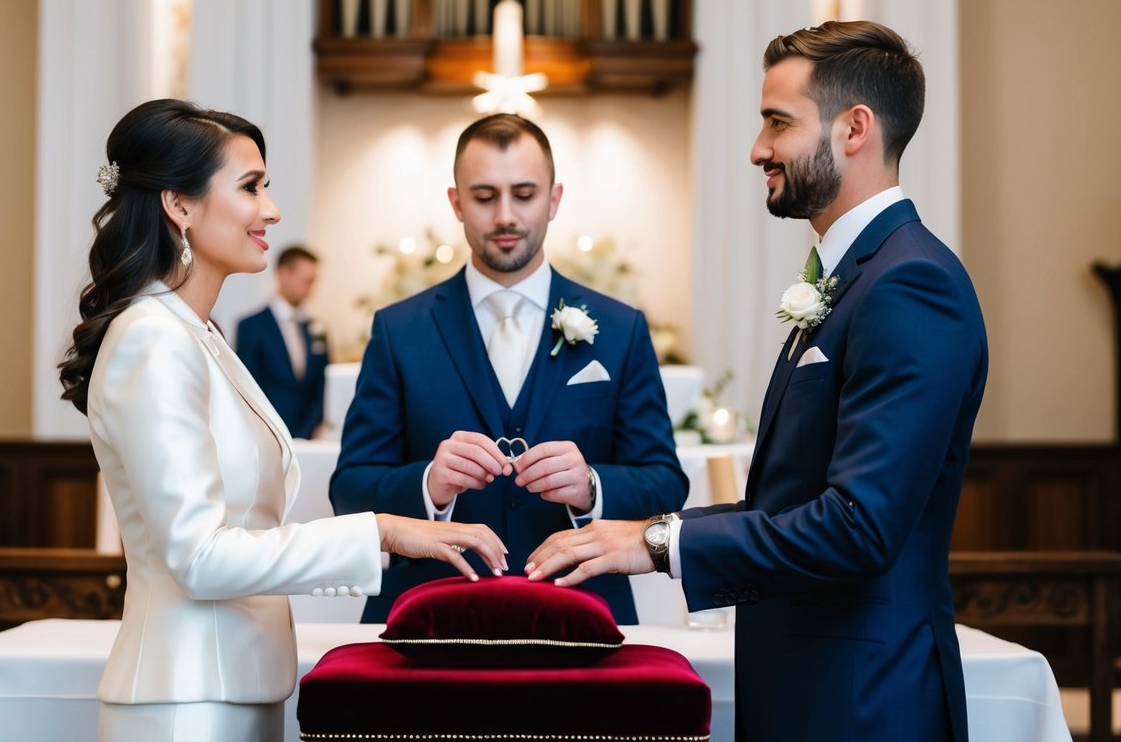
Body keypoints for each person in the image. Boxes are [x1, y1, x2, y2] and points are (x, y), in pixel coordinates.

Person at [525, 21, 988, 742]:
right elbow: (787, 501)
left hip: (864, 701)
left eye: (778, 122)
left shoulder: (910, 283)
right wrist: (644, 531)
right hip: (813, 686)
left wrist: (652, 547)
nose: (757, 149)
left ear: (854, 129)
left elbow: (858, 527)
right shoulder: (858, 274)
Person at [58, 99, 506, 742]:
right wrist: (377, 531)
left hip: (236, 687)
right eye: (251, 187)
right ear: (178, 206)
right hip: (186, 699)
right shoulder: (153, 339)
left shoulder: (199, 337)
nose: (271, 210)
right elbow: (201, 556)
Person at [330, 113, 688, 624]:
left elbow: (665, 482)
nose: (505, 216)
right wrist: (429, 484)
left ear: (554, 199)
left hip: (580, 617)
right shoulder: (399, 329)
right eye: (483, 197)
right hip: (427, 620)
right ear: (455, 202)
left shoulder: (620, 327)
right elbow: (349, 489)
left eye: (524, 194)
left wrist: (591, 487)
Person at [236, 245, 330, 438]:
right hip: (267, 433)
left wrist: (309, 430)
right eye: (306, 281)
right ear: (283, 274)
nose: (310, 289)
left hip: (309, 435)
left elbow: (323, 383)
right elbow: (248, 386)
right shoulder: (251, 326)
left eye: (313, 282)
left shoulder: (318, 328)